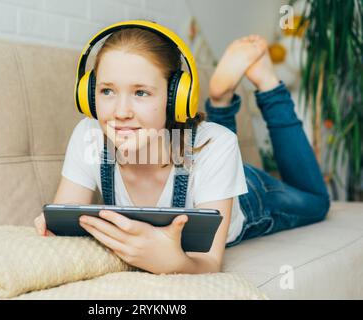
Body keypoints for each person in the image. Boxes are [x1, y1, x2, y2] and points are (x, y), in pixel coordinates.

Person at [34, 25, 330, 275]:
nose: (120, 112)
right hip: (212, 171)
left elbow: (210, 262)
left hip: (248, 196)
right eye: (107, 91)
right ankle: (223, 98)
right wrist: (53, 231)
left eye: (140, 92)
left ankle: (267, 84)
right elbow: (67, 222)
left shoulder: (216, 145)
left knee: (317, 202)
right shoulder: (89, 135)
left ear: (176, 99)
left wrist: (175, 262)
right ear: (88, 94)